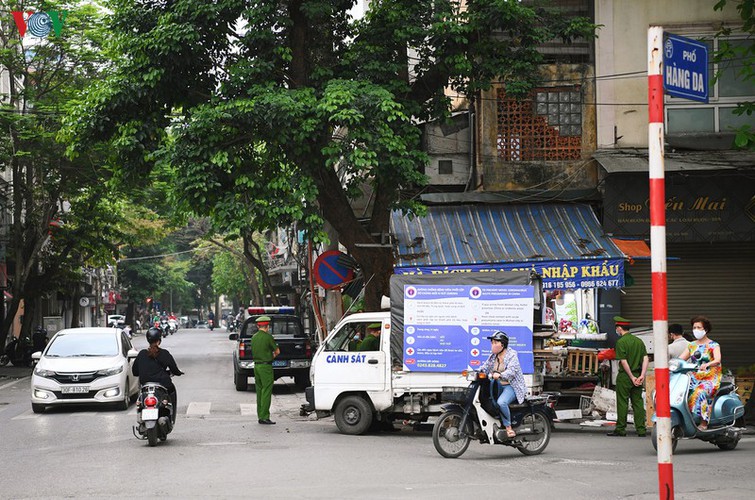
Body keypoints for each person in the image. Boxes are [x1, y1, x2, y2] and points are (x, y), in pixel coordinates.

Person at [480, 331, 527, 438]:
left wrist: (500, 375)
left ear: (503, 344)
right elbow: (485, 367)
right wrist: (474, 372)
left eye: (496, 342)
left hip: (511, 386)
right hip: (497, 385)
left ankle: (508, 428)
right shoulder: (493, 356)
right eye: (492, 342)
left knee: (501, 402)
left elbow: (512, 371)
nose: (493, 345)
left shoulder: (512, 355)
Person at [132, 327, 184, 423]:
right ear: (159, 340)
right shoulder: (164, 353)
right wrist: (178, 373)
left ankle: (141, 413)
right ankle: (170, 416)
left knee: (141, 397)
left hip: (145, 385)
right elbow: (174, 369)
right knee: (171, 390)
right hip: (163, 383)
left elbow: (135, 372)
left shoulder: (142, 354)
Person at [679, 315, 722, 431]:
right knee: (682, 392)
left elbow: (718, 360)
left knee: (700, 392)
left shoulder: (714, 345)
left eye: (699, 327)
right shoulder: (691, 345)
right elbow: (680, 359)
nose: (696, 330)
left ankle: (704, 423)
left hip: (710, 378)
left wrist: (707, 364)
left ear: (705, 330)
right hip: (694, 378)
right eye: (694, 327)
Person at [608, 316, 649, 437]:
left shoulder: (621, 342)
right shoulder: (638, 341)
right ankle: (641, 430)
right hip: (638, 375)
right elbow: (645, 358)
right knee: (638, 402)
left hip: (625, 377)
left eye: (617, 328)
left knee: (622, 402)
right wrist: (642, 375)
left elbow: (623, 361)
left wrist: (631, 377)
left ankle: (621, 429)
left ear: (619, 328)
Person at [250, 315, 280, 425]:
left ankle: (260, 415)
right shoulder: (268, 337)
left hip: (256, 366)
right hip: (266, 367)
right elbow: (277, 351)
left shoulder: (254, 337)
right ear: (267, 326)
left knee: (259, 391)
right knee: (267, 391)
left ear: (258, 326)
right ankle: (265, 416)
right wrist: (271, 357)